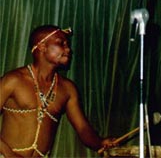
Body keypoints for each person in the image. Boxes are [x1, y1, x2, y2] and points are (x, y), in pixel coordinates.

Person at [0, 25, 117, 157]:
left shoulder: (67, 89)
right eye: (61, 43)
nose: (68, 49)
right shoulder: (13, 80)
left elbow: (83, 129)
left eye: (67, 45)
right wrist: (8, 154)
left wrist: (101, 143)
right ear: (42, 46)